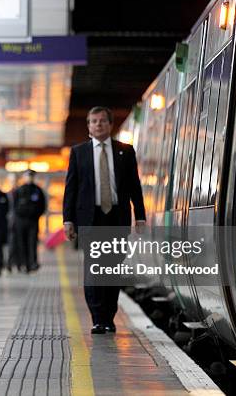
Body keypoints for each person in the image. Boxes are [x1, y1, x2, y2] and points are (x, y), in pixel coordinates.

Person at [63, 106, 146, 334]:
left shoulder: (125, 151)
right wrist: (68, 220)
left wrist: (140, 216)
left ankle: (109, 317)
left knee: (113, 269)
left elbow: (134, 187)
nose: (98, 124)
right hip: (91, 218)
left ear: (110, 125)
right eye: (93, 121)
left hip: (117, 217)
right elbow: (71, 188)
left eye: (102, 121)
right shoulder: (78, 152)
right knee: (94, 269)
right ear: (88, 126)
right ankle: (98, 318)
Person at [13, 169, 46, 272]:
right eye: (28, 176)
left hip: (33, 221)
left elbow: (42, 206)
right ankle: (23, 264)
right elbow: (14, 206)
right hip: (21, 221)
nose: (29, 178)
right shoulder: (19, 190)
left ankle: (33, 263)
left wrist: (36, 215)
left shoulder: (38, 190)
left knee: (33, 242)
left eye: (31, 176)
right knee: (21, 243)